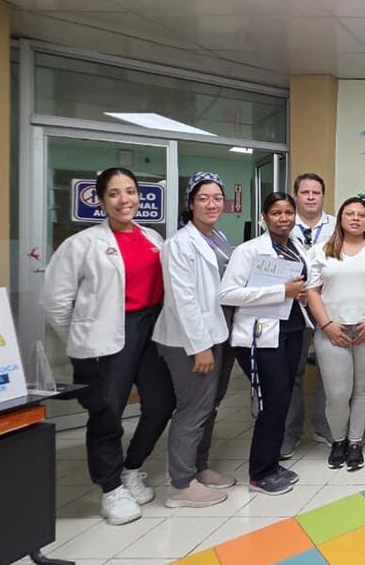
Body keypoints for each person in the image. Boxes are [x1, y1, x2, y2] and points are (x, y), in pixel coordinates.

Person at [41, 167, 174, 525]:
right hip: (106, 337)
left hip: (150, 330)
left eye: (130, 191)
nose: (124, 200)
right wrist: (80, 336)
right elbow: (54, 301)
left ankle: (132, 467)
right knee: (107, 413)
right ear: (101, 200)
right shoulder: (82, 244)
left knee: (162, 404)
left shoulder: (152, 238)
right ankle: (111, 487)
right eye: (114, 193)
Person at [151, 172, 237, 509]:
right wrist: (199, 347)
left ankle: (198, 469)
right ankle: (180, 486)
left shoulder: (217, 237)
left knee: (209, 405)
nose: (212, 203)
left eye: (217, 197)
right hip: (189, 341)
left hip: (217, 333)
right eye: (204, 198)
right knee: (193, 409)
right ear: (190, 203)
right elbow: (182, 299)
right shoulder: (179, 244)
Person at [219, 192, 309, 496]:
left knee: (282, 400)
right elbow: (227, 294)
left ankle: (271, 464)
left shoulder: (295, 247)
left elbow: (297, 287)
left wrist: (299, 294)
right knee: (273, 401)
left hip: (292, 330)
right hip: (260, 335)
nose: (283, 219)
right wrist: (280, 291)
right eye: (276, 213)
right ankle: (259, 474)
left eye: (288, 213)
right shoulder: (248, 251)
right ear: (264, 217)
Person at [305, 197, 365, 471]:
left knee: (362, 389)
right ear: (341, 219)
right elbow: (312, 291)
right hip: (332, 329)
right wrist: (327, 325)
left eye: (361, 214)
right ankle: (338, 440)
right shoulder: (321, 251)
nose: (355, 218)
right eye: (350, 214)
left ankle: (355, 441)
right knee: (337, 392)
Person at [282, 173, 335, 458]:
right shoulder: (283, 225)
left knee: (331, 370)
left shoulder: (338, 225)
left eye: (316, 192)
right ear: (296, 195)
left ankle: (325, 425)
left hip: (331, 306)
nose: (311, 197)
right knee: (294, 371)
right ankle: (290, 431)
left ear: (323, 195)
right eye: (305, 192)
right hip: (294, 308)